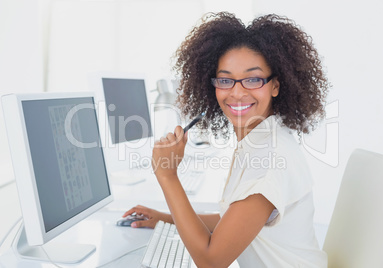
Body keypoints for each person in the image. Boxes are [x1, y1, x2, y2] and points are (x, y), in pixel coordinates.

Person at [123, 12, 329, 267]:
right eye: (225, 79)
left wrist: (167, 176)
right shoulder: (261, 139)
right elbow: (230, 222)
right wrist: (166, 218)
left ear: (275, 85)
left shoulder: (269, 161)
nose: (237, 92)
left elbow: (211, 261)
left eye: (253, 79)